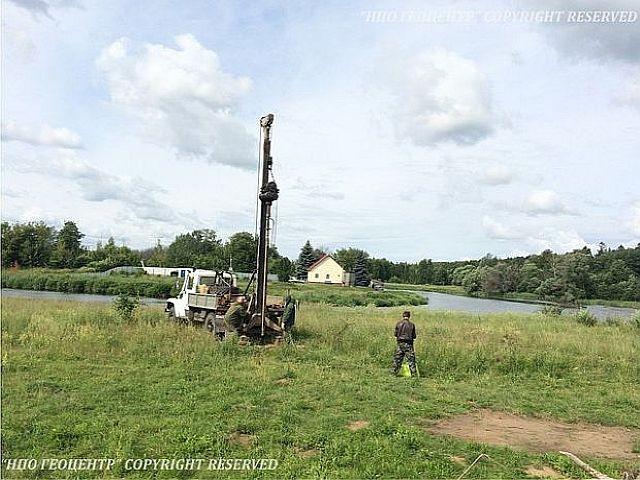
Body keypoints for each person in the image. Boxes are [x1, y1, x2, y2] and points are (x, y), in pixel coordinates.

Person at [392, 311, 417, 376]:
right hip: (408, 344)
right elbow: (414, 336)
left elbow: (395, 334)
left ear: (403, 316)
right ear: (409, 316)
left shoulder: (398, 324)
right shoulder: (412, 325)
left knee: (397, 359)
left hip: (400, 344)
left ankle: (393, 373)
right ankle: (413, 374)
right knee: (411, 360)